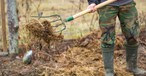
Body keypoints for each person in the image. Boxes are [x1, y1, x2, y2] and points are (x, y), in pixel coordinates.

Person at [87, 0, 146, 76]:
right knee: (107, 38)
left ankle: (132, 67)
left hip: (127, 3)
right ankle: (109, 72)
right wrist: (92, 2)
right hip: (106, 5)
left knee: (133, 36)